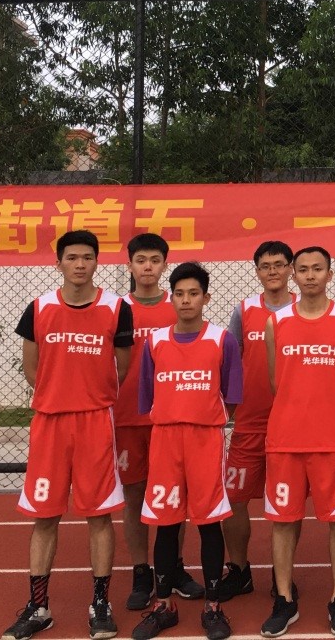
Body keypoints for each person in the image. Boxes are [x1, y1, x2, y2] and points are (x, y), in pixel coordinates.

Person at [4, 229, 134, 640]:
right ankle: (38, 606)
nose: (80, 264)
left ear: (97, 262)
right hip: (50, 422)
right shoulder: (39, 307)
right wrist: (57, 395)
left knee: (99, 514)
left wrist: (91, 394)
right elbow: (32, 369)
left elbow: (123, 366)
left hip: (95, 421)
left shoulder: (116, 308)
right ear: (58, 261)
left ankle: (100, 604)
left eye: (87, 257)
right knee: (45, 516)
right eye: (72, 257)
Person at [132, 263, 243, 640]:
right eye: (179, 293)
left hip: (205, 440)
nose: (185, 300)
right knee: (165, 522)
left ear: (205, 298)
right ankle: (164, 605)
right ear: (172, 298)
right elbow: (147, 395)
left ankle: (213, 607)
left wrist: (207, 419)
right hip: (166, 440)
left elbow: (232, 395)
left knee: (209, 522)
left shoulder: (221, 339)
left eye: (193, 293)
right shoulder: (156, 341)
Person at [261, 246, 335, 639]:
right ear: (293, 274)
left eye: (317, 269)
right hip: (285, 439)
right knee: (284, 521)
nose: (309, 275)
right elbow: (277, 382)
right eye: (302, 269)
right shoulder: (277, 322)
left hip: (330, 439)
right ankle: (284, 599)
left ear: (329, 274)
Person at [117, 233, 204, 612]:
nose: (148, 267)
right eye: (141, 260)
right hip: (127, 418)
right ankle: (141, 572)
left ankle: (173, 568)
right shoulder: (117, 309)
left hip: (170, 420)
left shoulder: (179, 307)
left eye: (155, 260)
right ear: (130, 265)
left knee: (174, 497)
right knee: (135, 495)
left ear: (165, 265)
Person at [219, 240, 296, 602]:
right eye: (265, 266)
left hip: (291, 425)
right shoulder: (245, 310)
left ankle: (283, 575)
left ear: (290, 268)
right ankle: (239, 569)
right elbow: (232, 363)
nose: (273, 271)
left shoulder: (303, 309)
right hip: (249, 423)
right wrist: (229, 410)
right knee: (234, 498)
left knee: (287, 504)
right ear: (257, 272)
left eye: (279, 264)